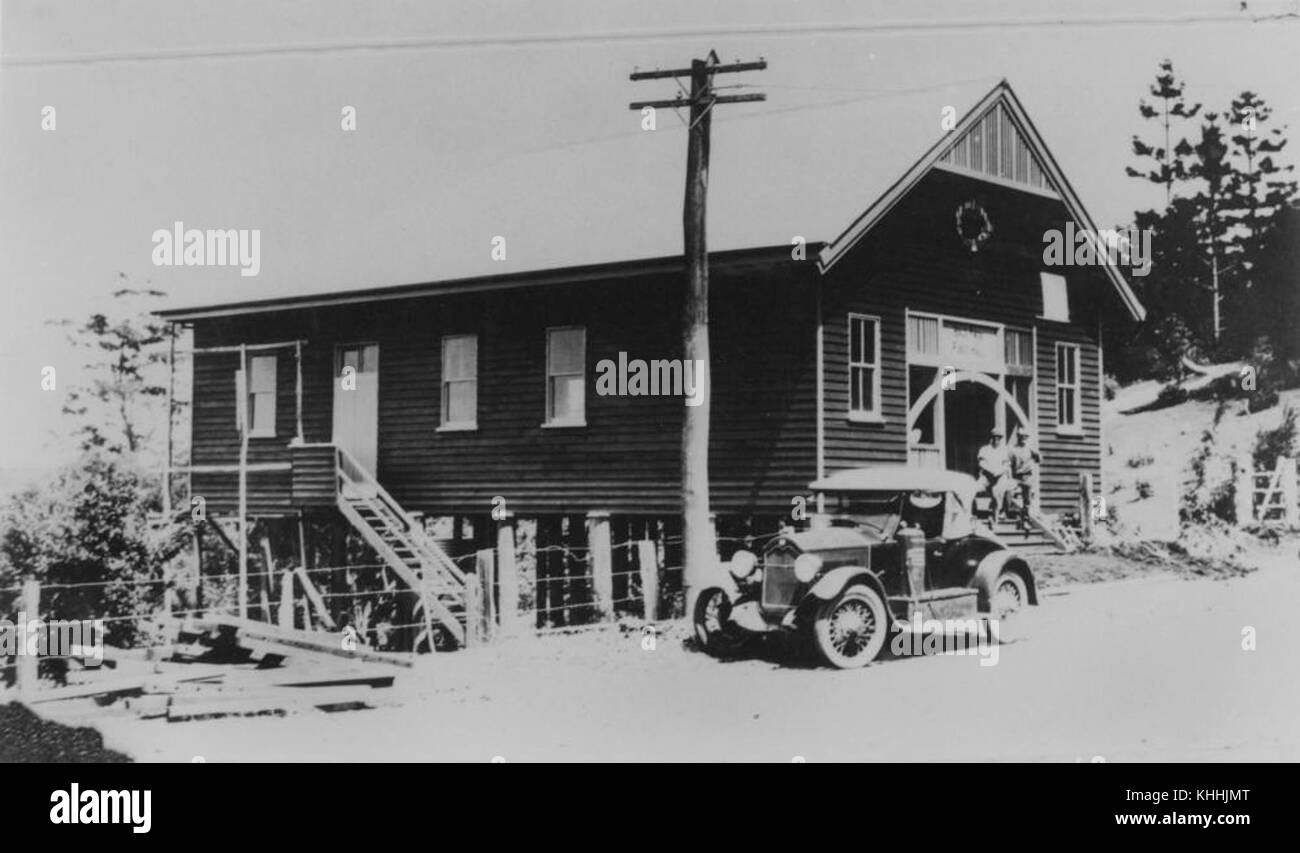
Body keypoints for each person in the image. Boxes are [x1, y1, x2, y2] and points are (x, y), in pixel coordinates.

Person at [976, 429, 1013, 522]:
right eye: (994, 437)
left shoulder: (1003, 450)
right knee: (975, 488)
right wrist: (990, 470)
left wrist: (999, 472)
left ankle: (995, 513)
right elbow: (981, 463)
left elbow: (1006, 465)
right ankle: (973, 513)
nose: (996, 440)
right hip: (987, 476)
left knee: (997, 491)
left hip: (1000, 476)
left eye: (998, 438)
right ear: (991, 438)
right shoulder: (984, 449)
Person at [1009, 430, 1041, 524]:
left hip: (1027, 476)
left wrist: (1034, 459)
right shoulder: (1013, 449)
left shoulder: (1030, 449)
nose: (1023, 439)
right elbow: (1008, 463)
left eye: (1025, 437)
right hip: (1016, 476)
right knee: (1009, 493)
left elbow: (1039, 459)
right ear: (1018, 437)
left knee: (1027, 499)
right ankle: (1007, 512)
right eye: (1021, 437)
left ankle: (1026, 517)